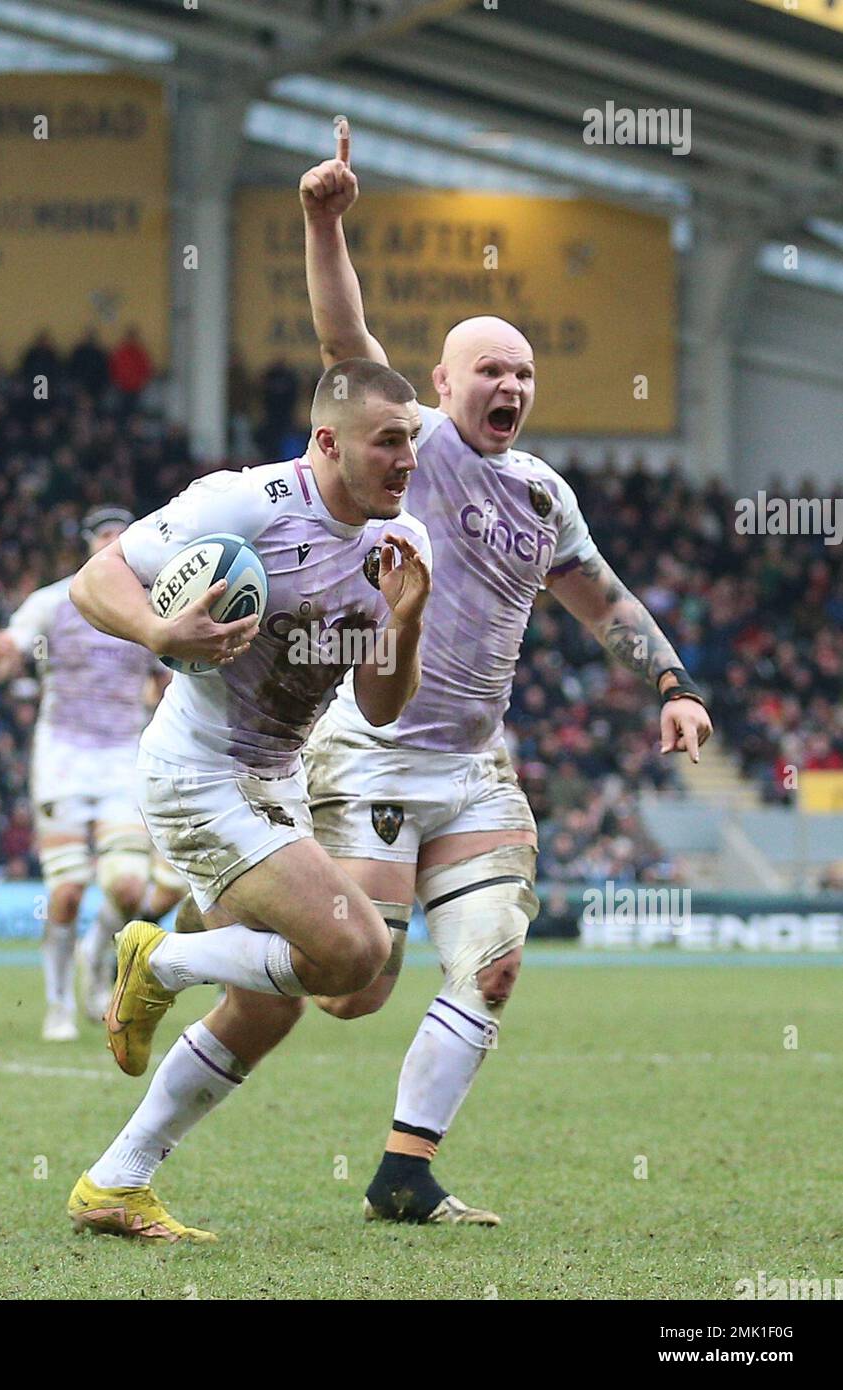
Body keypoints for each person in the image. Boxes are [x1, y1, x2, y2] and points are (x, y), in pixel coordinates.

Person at [292, 120, 713, 1224]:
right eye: (490, 367)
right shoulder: (415, 445)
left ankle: (402, 1169)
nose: (510, 383)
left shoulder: (540, 493)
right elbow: (344, 339)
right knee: (354, 982)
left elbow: (603, 602)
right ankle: (183, 955)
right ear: (442, 382)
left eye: (523, 371)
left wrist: (672, 684)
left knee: (490, 963)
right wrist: (323, 220)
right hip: (373, 742)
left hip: (474, 764)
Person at [65, 357, 431, 1243]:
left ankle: (116, 1183)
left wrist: (406, 618)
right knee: (353, 952)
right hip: (197, 775)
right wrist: (157, 626)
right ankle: (161, 964)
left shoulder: (400, 542)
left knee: (274, 1002)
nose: (407, 461)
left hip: (276, 779)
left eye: (412, 442)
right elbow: (94, 581)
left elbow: (382, 705)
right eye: (389, 442)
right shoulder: (245, 504)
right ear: (328, 442)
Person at [0, 506, 188, 1041]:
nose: (114, 542)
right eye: (106, 535)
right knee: (67, 891)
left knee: (128, 887)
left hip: (122, 756)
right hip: (64, 757)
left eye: (123, 535)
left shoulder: (151, 610)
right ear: (91, 545)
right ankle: (57, 1004)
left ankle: (96, 959)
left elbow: (169, 680)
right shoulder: (54, 601)